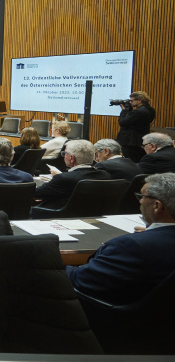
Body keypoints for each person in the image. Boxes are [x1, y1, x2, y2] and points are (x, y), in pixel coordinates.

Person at [66, 173, 175, 304]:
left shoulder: (132, 246)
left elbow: (81, 279)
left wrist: (56, 267)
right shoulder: (149, 242)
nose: (140, 201)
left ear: (157, 206)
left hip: (113, 317)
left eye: (142, 197)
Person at [35, 139, 111, 209]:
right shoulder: (106, 175)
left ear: (72, 158)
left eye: (64, 153)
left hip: (58, 216)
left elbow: (36, 193)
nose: (64, 156)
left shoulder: (63, 178)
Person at [116, 91, 156, 162]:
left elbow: (122, 122)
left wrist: (124, 111)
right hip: (141, 140)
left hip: (131, 142)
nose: (130, 102)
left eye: (131, 100)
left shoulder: (138, 112)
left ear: (139, 101)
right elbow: (135, 121)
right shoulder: (151, 110)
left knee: (130, 162)